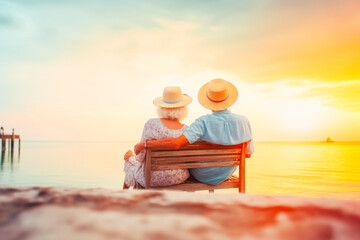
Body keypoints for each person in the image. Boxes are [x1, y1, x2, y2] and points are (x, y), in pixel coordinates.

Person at [135, 79, 254, 185]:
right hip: (225, 175)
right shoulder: (244, 121)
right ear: (228, 99)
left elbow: (177, 143)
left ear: (208, 100)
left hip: (202, 174)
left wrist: (145, 144)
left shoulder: (203, 122)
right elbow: (247, 154)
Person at [123, 86, 192, 188]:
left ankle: (123, 198)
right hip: (178, 177)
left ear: (162, 107)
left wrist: (131, 158)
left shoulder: (151, 124)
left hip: (150, 178)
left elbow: (140, 157)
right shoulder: (187, 130)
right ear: (183, 109)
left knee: (128, 161)